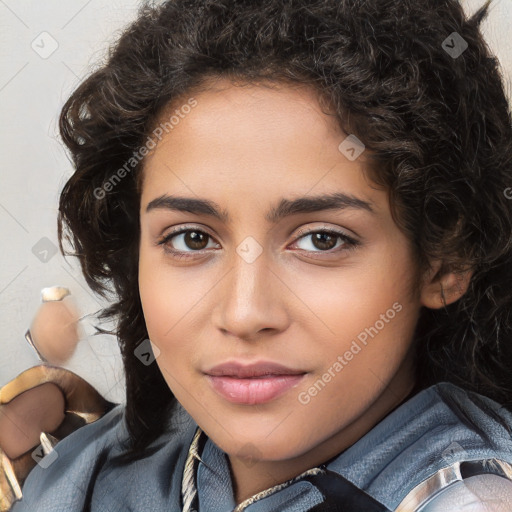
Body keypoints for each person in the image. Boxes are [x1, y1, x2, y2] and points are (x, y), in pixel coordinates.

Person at [8, 0, 512, 510]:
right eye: (192, 239)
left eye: (322, 239)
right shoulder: (113, 456)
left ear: (445, 259)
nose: (244, 314)